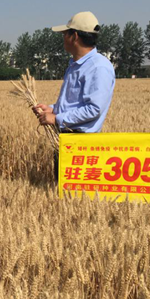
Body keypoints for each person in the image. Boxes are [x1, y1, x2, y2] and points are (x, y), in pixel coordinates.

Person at [32, 11, 116, 178]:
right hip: (67, 139)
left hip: (82, 142)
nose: (63, 38)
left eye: (65, 34)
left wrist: (57, 119)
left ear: (75, 36)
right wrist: (51, 109)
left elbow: (94, 108)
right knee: (62, 192)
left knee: (75, 196)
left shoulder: (98, 67)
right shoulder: (76, 64)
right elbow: (73, 103)